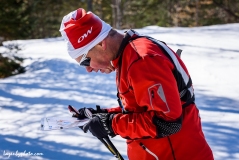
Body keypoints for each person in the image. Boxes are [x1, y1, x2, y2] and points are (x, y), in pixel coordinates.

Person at [59, 8, 214, 160]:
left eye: (86, 61)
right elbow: (144, 108)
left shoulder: (142, 60)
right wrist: (104, 115)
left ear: (101, 44)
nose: (88, 69)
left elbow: (167, 122)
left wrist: (111, 124)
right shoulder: (129, 56)